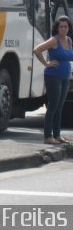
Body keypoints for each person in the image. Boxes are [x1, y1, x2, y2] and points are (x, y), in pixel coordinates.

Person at [33, 15, 73, 144]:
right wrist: (46, 63)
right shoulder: (53, 40)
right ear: (57, 28)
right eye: (61, 26)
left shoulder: (69, 40)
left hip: (65, 77)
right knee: (53, 106)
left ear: (68, 28)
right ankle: (48, 136)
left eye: (65, 26)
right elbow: (37, 50)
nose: (63, 29)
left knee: (60, 107)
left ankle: (57, 135)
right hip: (53, 76)